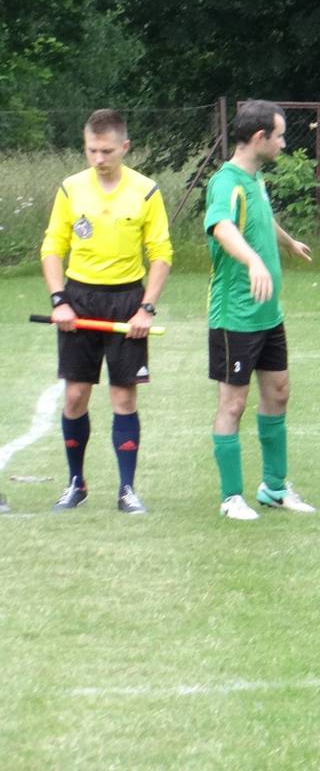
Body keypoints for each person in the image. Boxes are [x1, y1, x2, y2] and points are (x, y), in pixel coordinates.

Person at [39, 109, 172, 514]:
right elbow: (52, 247)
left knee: (123, 396)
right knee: (75, 395)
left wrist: (146, 309)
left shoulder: (146, 191)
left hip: (126, 301)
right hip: (79, 299)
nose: (98, 159)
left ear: (124, 147)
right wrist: (60, 300)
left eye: (107, 151)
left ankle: (127, 489)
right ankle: (75, 484)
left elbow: (161, 254)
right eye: (91, 150)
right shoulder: (70, 189)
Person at [205, 101, 316, 520]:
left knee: (279, 393)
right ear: (259, 138)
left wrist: (288, 243)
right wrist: (253, 260)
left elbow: (261, 219)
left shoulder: (254, 180)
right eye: (280, 136)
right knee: (232, 404)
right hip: (235, 317)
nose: (283, 143)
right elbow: (222, 227)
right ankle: (231, 497)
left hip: (269, 314)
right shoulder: (225, 182)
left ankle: (273, 488)